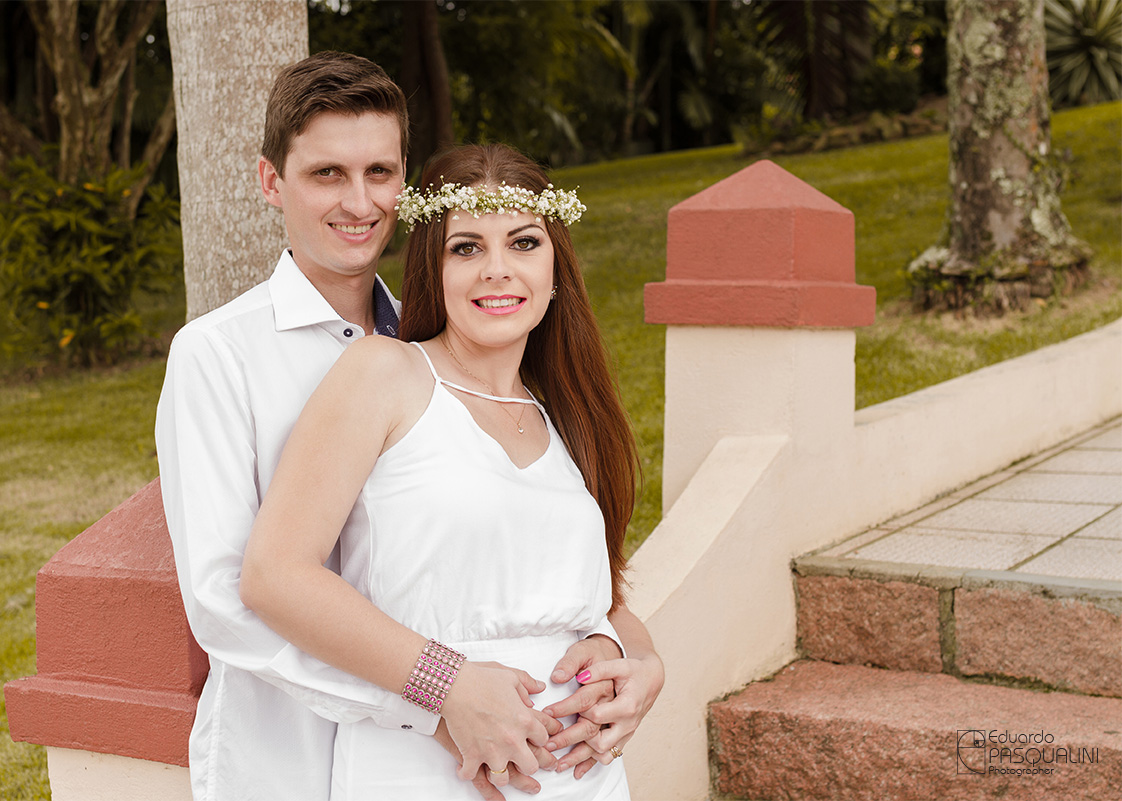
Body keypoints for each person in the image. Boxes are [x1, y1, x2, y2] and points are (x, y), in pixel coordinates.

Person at [155, 52, 662, 801]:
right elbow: (231, 598)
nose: (358, 201)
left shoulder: (462, 353)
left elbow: (533, 560)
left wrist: (635, 655)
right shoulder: (220, 355)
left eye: (380, 173)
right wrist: (437, 698)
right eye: (327, 173)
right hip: (300, 755)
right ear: (272, 182)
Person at [240, 142, 644, 798]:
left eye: (523, 243)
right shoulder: (386, 373)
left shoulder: (566, 412)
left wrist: (638, 661)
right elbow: (274, 574)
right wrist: (448, 685)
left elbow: (596, 598)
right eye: (466, 248)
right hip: (431, 767)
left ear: (556, 264)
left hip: (583, 778)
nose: (497, 270)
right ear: (434, 262)